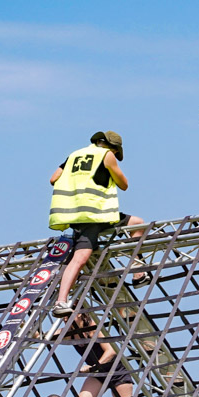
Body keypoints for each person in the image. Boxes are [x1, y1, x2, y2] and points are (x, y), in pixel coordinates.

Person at [48, 131, 148, 319]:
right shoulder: (105, 155)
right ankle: (60, 301)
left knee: (137, 223)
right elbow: (124, 184)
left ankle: (137, 272)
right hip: (92, 213)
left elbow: (53, 178)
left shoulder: (74, 156)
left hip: (90, 212)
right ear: (113, 147)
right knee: (80, 258)